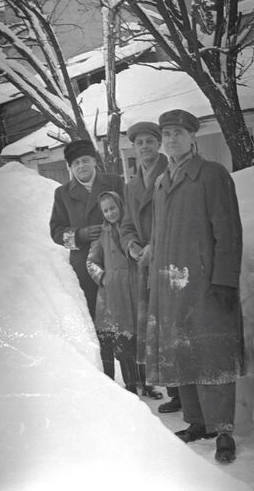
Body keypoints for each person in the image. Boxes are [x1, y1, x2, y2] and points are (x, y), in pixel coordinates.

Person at [146, 109, 244, 464]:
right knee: (181, 349)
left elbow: (228, 231)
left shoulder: (212, 175)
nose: (171, 140)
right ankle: (197, 422)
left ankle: (223, 430)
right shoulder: (161, 182)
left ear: (192, 138)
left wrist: (224, 280)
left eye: (177, 133)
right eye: (166, 134)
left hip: (205, 284)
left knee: (211, 352)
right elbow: (157, 237)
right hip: (171, 284)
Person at [49, 139, 124, 379]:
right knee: (98, 322)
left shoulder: (114, 182)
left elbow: (129, 215)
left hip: (118, 260)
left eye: (85, 160)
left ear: (94, 160)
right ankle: (108, 379)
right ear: (70, 167)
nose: (81, 166)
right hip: (85, 266)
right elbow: (56, 232)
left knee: (125, 317)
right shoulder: (62, 194)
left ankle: (139, 382)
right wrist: (79, 235)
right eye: (76, 163)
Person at [119, 121, 174, 406]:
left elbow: (173, 217)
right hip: (144, 261)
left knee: (171, 324)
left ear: (158, 144)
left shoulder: (170, 172)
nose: (144, 147)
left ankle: (179, 391)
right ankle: (173, 389)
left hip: (168, 256)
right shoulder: (131, 185)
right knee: (153, 328)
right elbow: (126, 222)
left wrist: (155, 244)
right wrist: (131, 245)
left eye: (149, 142)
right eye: (139, 143)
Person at [86, 191, 149, 395]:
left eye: (113, 208)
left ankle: (148, 384)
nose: (110, 213)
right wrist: (104, 278)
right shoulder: (102, 235)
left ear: (121, 206)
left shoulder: (133, 228)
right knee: (123, 342)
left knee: (142, 339)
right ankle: (131, 386)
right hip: (115, 296)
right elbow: (91, 261)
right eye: (105, 210)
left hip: (137, 290)